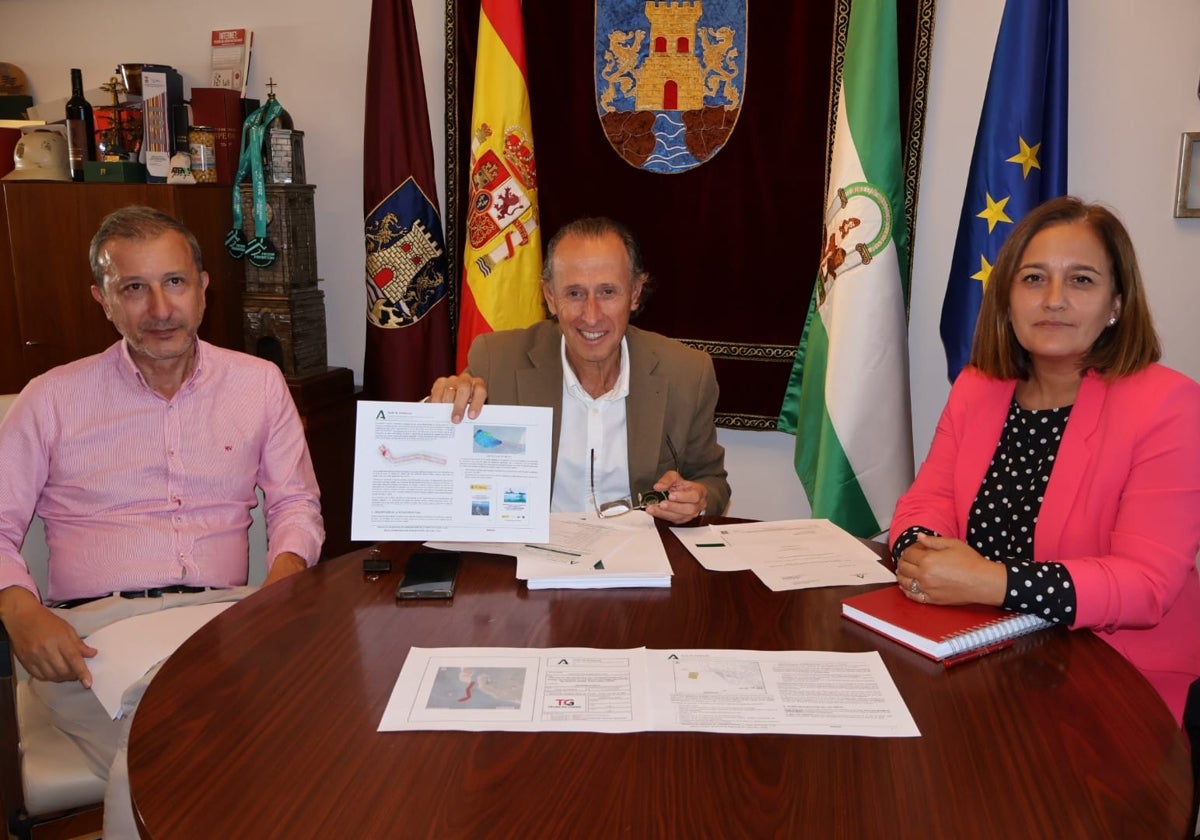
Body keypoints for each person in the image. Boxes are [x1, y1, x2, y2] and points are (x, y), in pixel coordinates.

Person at [0, 206, 324, 837]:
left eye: (174, 282)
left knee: (256, 739)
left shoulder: (258, 386)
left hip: (227, 624)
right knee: (177, 751)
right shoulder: (52, 399)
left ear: (204, 288)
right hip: (92, 641)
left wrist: (282, 582)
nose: (159, 309)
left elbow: (295, 506)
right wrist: (18, 610)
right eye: (133, 288)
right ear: (103, 301)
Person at [891, 196, 1200, 724]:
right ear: (1007, 298)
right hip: (979, 654)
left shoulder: (1170, 406)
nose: (1053, 299)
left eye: (1081, 280)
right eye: (1033, 279)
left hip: (1114, 679)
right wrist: (919, 557)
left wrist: (992, 581)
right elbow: (929, 499)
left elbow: (1146, 584)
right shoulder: (978, 387)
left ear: (1116, 305)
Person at [432, 217, 730, 523]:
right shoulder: (497, 361)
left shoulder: (687, 372)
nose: (591, 316)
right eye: (574, 293)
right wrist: (441, 408)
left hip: (638, 557)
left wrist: (698, 498)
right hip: (532, 557)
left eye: (608, 292)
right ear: (550, 296)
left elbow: (712, 481)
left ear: (636, 293)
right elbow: (440, 463)